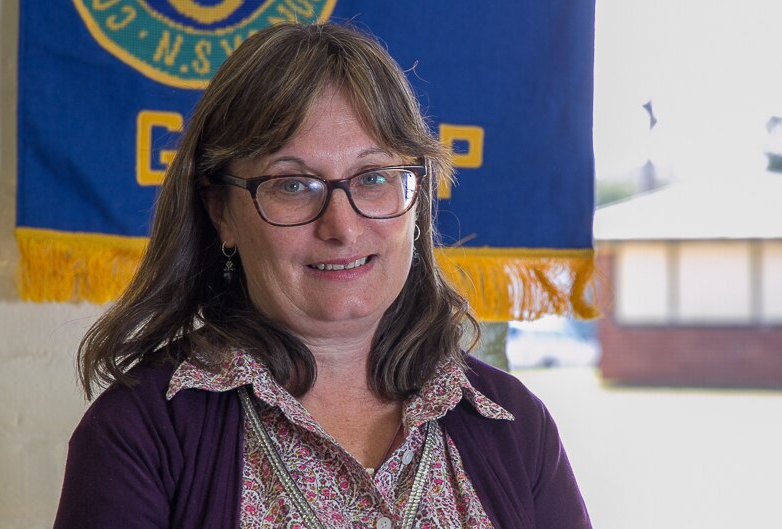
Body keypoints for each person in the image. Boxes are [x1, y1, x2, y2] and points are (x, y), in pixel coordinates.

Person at [53, 22, 591, 529]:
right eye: (293, 185)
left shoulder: (515, 425)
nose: (342, 226)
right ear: (221, 212)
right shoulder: (136, 433)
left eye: (375, 177)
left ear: (418, 201)